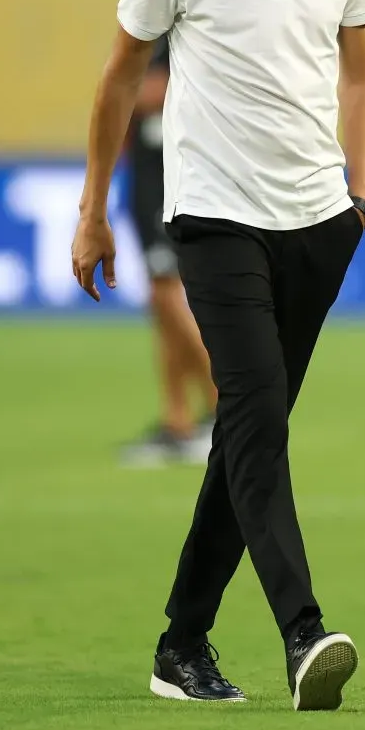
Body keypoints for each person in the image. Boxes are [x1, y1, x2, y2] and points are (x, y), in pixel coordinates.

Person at [72, 0, 365, 712]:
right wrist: (93, 211)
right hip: (213, 217)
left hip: (320, 222)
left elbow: (363, 73)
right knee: (251, 415)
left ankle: (181, 644)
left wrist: (359, 197)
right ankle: (303, 633)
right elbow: (123, 73)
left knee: (249, 433)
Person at [121, 33, 217, 467]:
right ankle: (177, 419)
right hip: (146, 169)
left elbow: (151, 93)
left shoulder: (170, 28)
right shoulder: (149, 24)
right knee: (162, 299)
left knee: (166, 291)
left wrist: (123, 86)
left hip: (169, 169)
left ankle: (223, 406)